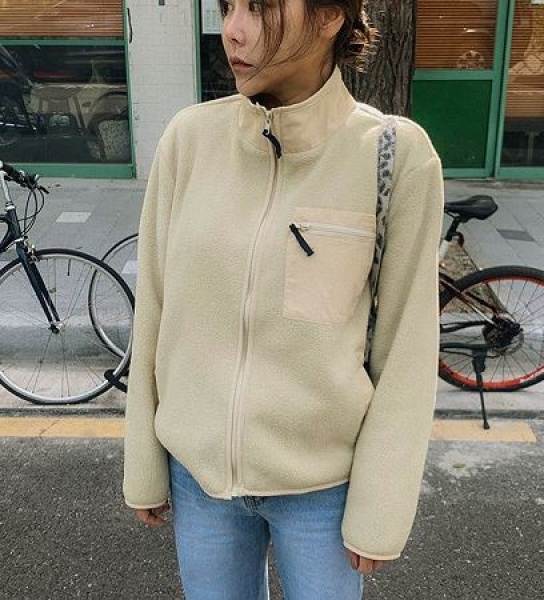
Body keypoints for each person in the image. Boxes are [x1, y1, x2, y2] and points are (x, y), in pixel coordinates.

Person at [123, 0, 443, 598]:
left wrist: (380, 507)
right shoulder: (189, 141)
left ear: (329, 17)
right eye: (228, 7)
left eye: (261, 7)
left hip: (323, 491)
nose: (233, 30)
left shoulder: (394, 156)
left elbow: (407, 346)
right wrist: (143, 462)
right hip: (199, 481)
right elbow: (156, 312)